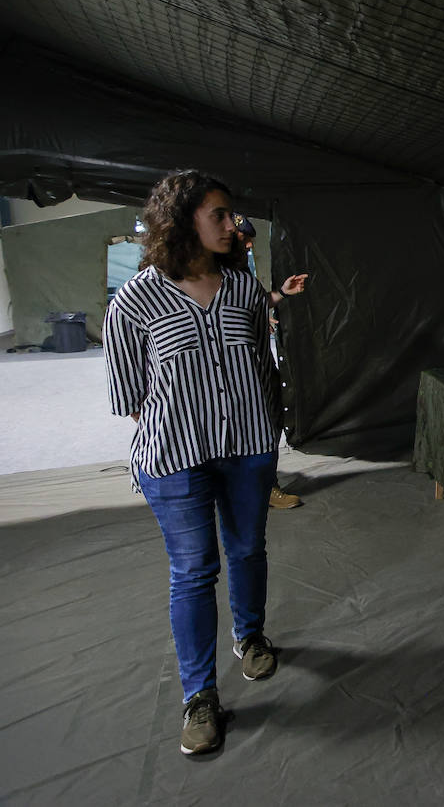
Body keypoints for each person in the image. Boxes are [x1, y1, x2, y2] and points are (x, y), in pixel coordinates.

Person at [104, 170, 284, 756]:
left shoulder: (244, 289)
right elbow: (128, 394)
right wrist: (185, 426)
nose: (233, 225)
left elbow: (261, 359)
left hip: (249, 448)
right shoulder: (137, 299)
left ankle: (250, 637)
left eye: (232, 214)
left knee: (247, 549)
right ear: (182, 222)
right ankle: (200, 697)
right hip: (174, 458)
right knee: (195, 569)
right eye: (219, 215)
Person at [232, 213, 308, 509]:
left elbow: (253, 301)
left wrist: (281, 294)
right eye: (242, 239)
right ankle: (257, 488)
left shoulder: (239, 273)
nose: (248, 245)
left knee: (271, 418)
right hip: (235, 369)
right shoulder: (210, 273)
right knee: (246, 426)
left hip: (259, 362)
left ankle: (264, 484)